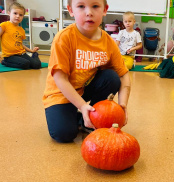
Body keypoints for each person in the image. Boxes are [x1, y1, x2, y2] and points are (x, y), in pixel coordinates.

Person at [42, 0, 131, 143]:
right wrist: (82, 106)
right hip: (60, 93)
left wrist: (122, 105)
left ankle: (88, 118)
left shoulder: (108, 41)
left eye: (95, 6)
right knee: (64, 134)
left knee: (111, 77)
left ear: (104, 9)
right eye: (81, 6)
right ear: (71, 10)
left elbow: (123, 74)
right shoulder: (64, 38)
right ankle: (79, 114)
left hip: (83, 89)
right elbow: (60, 79)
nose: (89, 12)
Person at [0, 2, 41, 69]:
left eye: (21, 15)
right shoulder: (4, 25)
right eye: (15, 13)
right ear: (9, 13)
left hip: (21, 54)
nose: (18, 16)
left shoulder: (21, 30)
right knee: (25, 64)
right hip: (9, 56)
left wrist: (31, 51)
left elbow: (20, 44)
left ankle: (34, 56)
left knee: (37, 65)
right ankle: (5, 62)